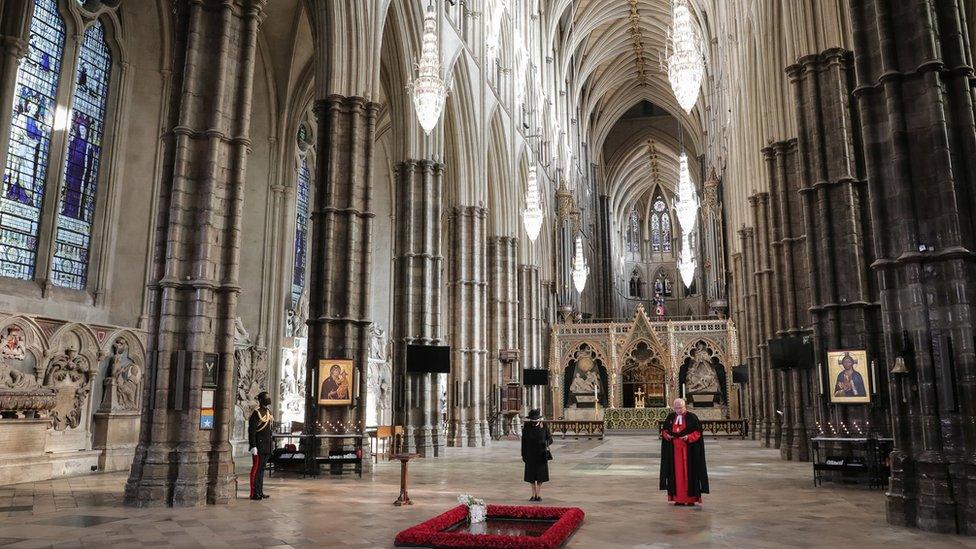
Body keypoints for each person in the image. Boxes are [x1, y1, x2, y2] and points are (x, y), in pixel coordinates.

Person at [660, 398, 709, 505]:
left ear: (685, 406)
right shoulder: (671, 417)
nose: (678, 410)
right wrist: (667, 435)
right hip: (674, 453)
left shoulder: (692, 417)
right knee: (676, 475)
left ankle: (691, 499)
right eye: (676, 408)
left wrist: (689, 437)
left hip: (689, 452)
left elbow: (698, 432)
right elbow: (665, 430)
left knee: (689, 475)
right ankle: (678, 499)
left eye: (680, 408)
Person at [521, 409, 553, 502]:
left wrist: (546, 443)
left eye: (535, 420)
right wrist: (523, 455)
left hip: (541, 455)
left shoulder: (544, 426)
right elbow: (523, 442)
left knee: (540, 476)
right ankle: (533, 494)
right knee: (531, 476)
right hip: (530, 455)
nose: (534, 422)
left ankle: (538, 494)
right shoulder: (527, 426)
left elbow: (550, 439)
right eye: (532, 420)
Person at [248, 391, 274, 501]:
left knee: (262, 470)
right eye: (266, 397)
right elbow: (252, 431)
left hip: (266, 446)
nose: (268, 399)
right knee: (256, 470)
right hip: (258, 446)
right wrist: (253, 445)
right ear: (261, 400)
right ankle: (254, 493)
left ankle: (260, 491)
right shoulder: (256, 413)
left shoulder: (268, 412)